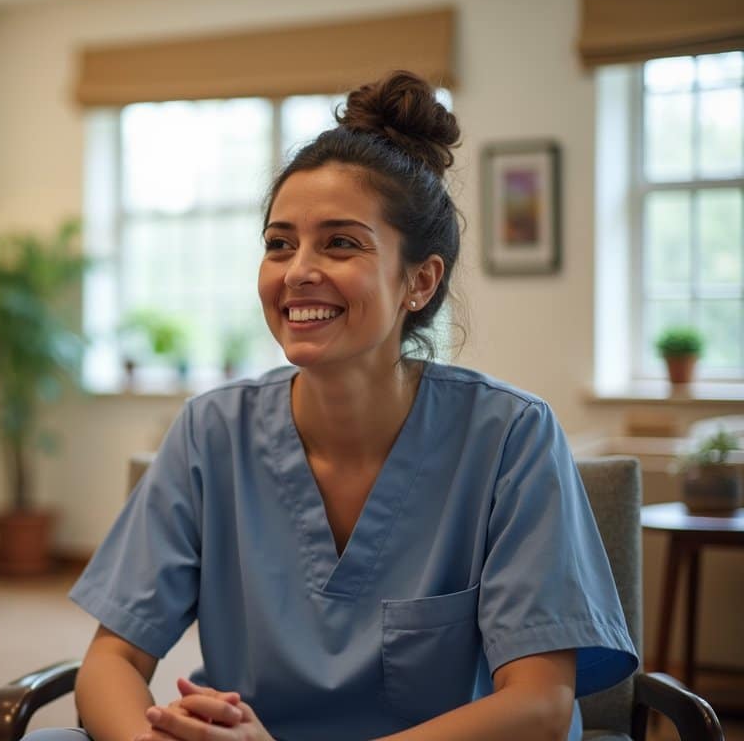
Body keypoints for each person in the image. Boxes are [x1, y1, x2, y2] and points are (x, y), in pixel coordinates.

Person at [36, 71, 637, 741]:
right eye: (278, 243)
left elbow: (540, 708)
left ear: (419, 280)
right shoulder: (212, 432)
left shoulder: (510, 438)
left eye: (340, 242)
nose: (297, 271)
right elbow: (112, 658)